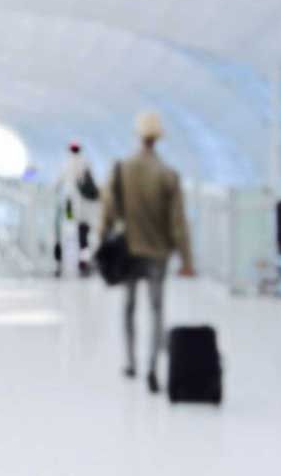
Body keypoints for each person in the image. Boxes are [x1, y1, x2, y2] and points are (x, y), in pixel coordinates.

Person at [101, 112, 195, 394]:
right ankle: (153, 368)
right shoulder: (168, 174)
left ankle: (130, 362)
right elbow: (178, 222)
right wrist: (187, 260)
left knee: (129, 307)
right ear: (158, 139)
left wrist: (100, 238)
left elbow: (109, 210)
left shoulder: (122, 169)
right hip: (158, 254)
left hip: (130, 250)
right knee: (156, 310)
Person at [54, 141, 99, 277]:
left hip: (69, 205)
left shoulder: (65, 164)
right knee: (83, 237)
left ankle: (63, 262)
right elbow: (93, 185)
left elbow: (57, 184)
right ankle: (84, 262)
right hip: (85, 208)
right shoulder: (86, 163)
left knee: (68, 230)